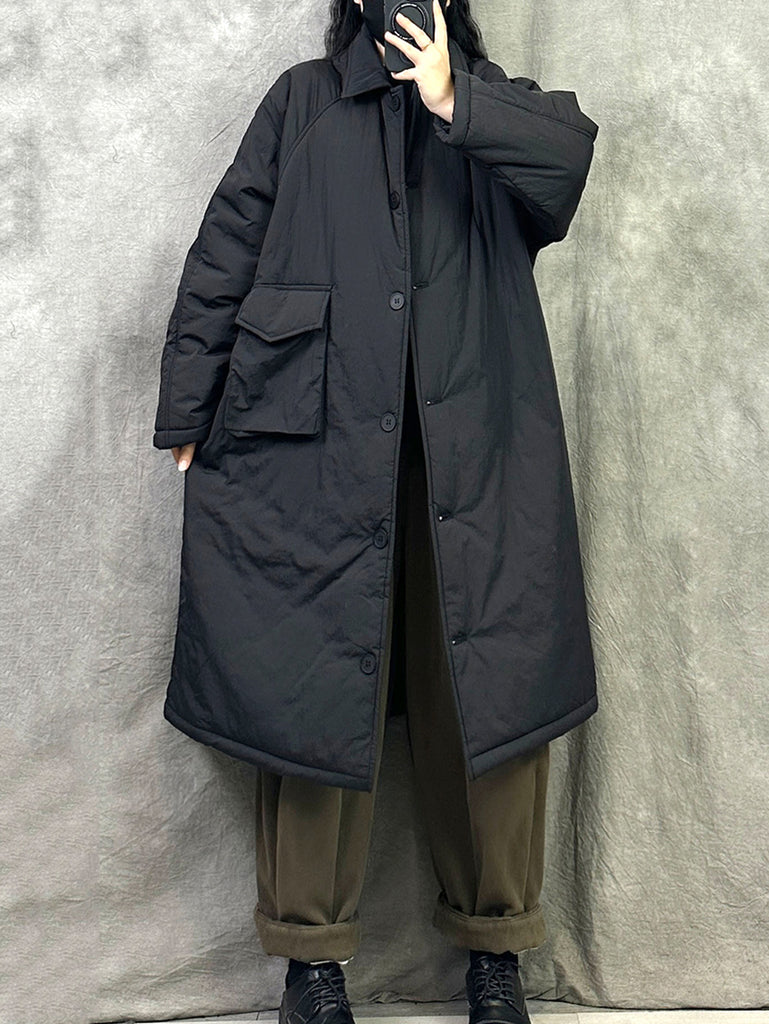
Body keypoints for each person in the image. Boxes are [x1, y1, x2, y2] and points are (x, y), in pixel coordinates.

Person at [152, 2, 599, 1023]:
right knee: (312, 689)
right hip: (314, 452)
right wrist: (190, 403)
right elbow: (226, 250)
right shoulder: (301, 104)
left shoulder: (494, 109)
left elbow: (566, 167)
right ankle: (310, 965)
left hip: (474, 457)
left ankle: (496, 953)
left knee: (486, 692)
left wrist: (453, 100)